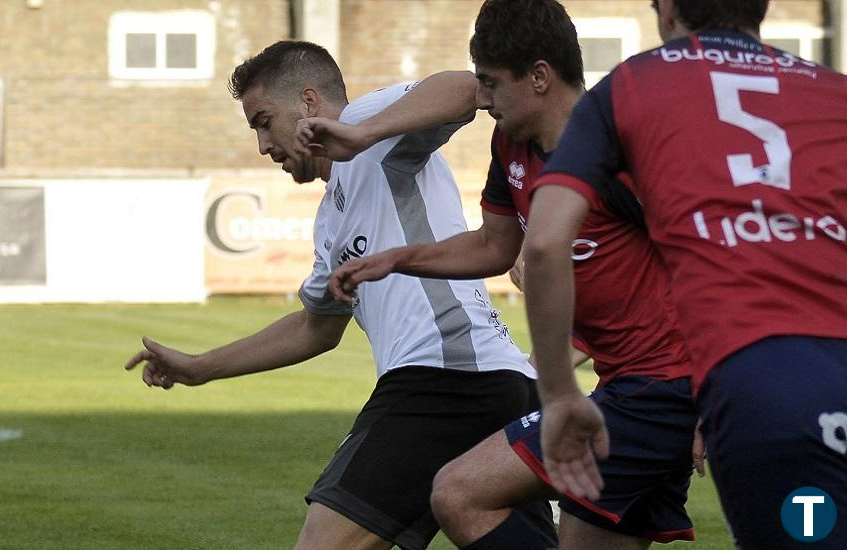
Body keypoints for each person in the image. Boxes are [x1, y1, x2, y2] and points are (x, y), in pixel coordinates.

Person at [123, 41, 555, 550]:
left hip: (444, 380)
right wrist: (201, 367)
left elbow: (467, 88)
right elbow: (317, 327)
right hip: (490, 384)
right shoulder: (330, 219)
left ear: (310, 103)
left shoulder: (368, 122)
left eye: (264, 121)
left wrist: (360, 132)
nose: (262, 145)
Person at [303, 1, 700, 548]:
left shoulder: (620, 145)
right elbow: (493, 247)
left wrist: (710, 395)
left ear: (539, 76)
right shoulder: (511, 143)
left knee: (459, 493)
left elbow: (703, 264)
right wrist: (397, 259)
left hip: (661, 388)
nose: (481, 98)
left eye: (491, 83)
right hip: (622, 386)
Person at [523, 0, 847, 547]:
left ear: (667, 8)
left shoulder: (632, 84)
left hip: (764, 384)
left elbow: (547, 242)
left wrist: (557, 395)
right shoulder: (835, 90)